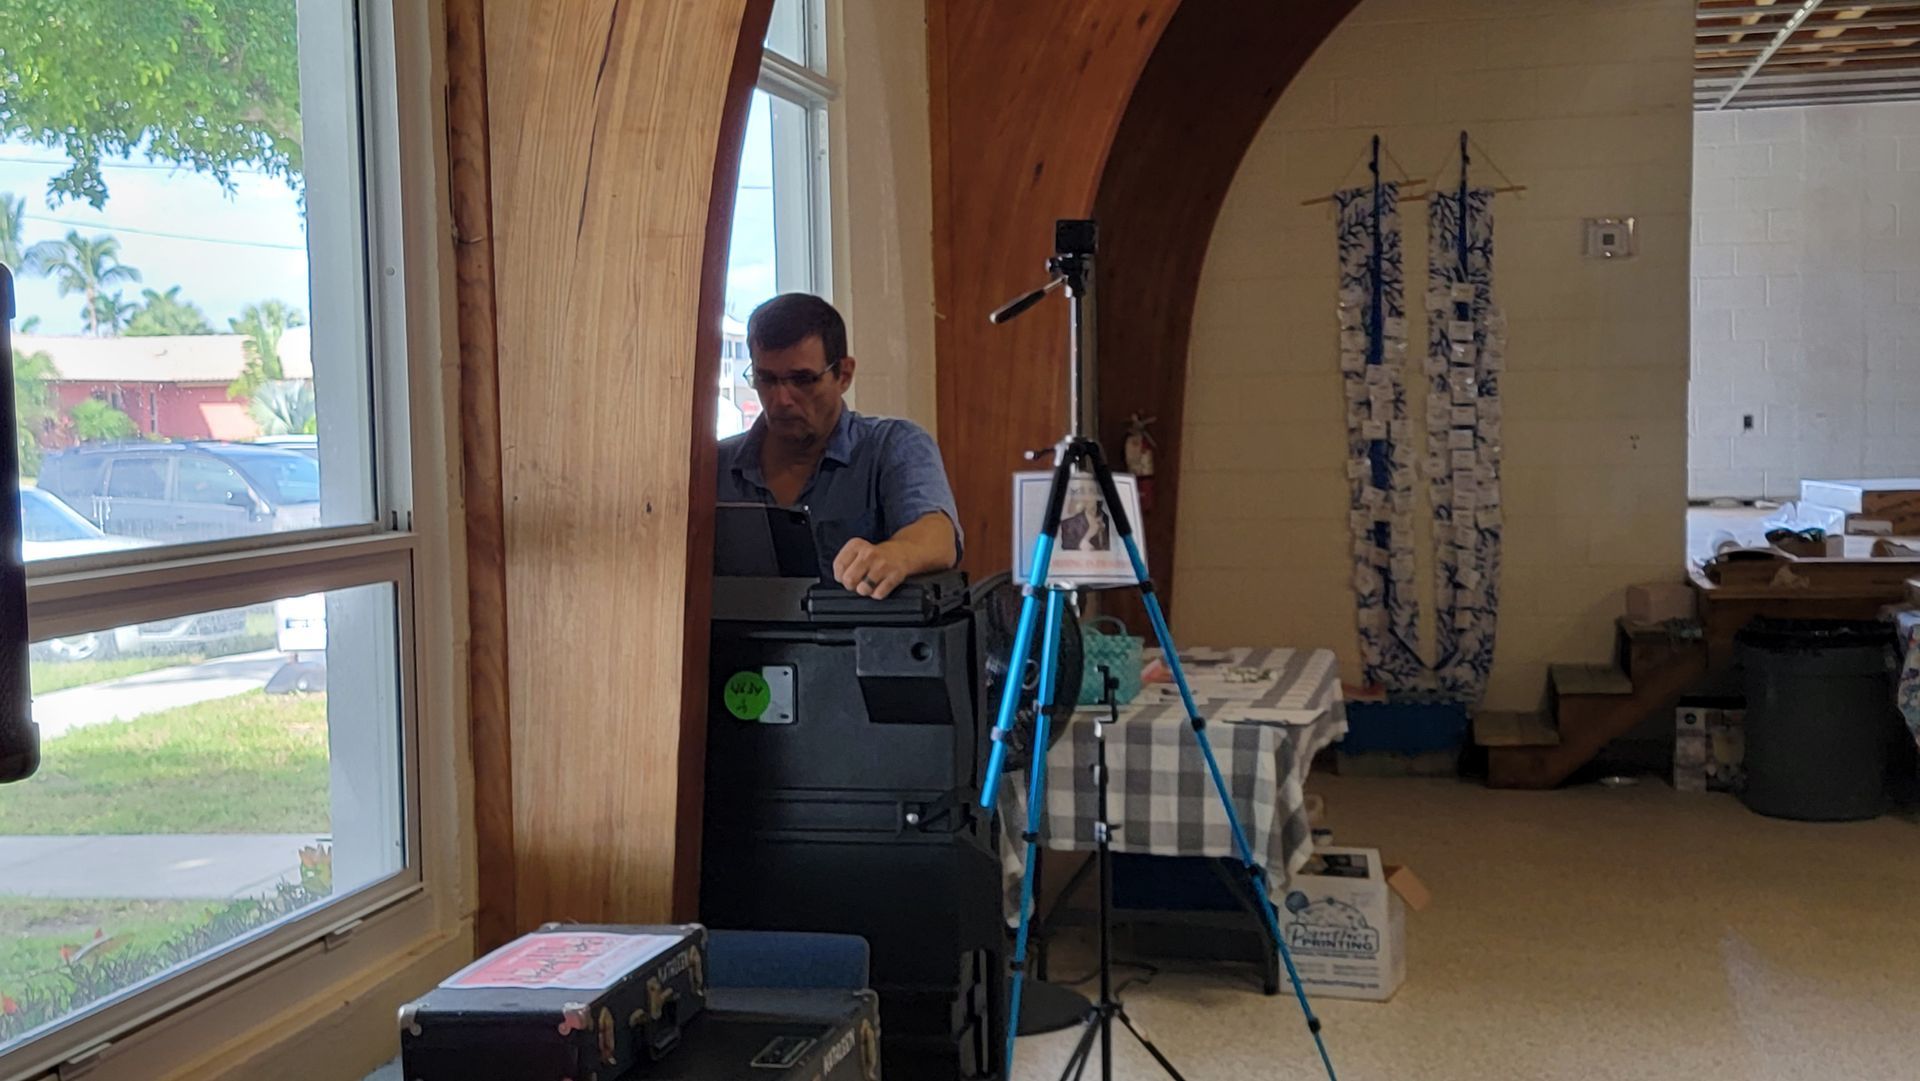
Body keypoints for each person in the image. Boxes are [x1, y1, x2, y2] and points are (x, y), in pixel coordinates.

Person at [717, 293, 961, 599]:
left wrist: (898, 554)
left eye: (802, 380)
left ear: (843, 375)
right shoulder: (714, 466)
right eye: (766, 379)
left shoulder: (893, 445)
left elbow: (938, 535)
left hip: (860, 644)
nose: (781, 399)